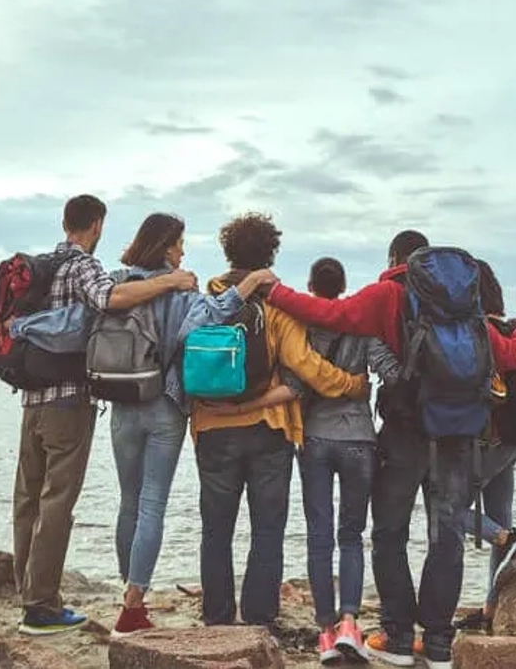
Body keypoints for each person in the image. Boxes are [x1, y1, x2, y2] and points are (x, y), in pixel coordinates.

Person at [263, 230, 474, 669]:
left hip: (404, 430)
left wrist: (276, 292)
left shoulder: (387, 293)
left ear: (395, 257)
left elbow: (329, 312)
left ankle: (397, 636)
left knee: (388, 533)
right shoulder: (462, 299)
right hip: (457, 431)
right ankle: (438, 643)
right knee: (446, 535)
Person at [13, 194, 198, 636]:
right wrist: (176, 284)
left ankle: (33, 594)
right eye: (179, 244)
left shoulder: (53, 268)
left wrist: (19, 329)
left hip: (75, 404)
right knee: (128, 501)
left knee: (41, 499)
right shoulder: (101, 274)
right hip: (133, 404)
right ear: (96, 224)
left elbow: (72, 321)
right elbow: (115, 303)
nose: (182, 252)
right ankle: (118, 602)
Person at [191, 213, 371, 629]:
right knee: (267, 528)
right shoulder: (276, 305)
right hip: (268, 428)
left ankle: (217, 618)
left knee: (216, 528)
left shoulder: (207, 300)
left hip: (212, 426)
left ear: (227, 252)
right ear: (269, 254)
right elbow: (305, 365)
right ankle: (259, 617)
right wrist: (352, 385)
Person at [107, 213, 278, 636]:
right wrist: (250, 284)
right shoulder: (182, 289)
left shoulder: (118, 281)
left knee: (128, 501)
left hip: (122, 403)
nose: (183, 251)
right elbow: (212, 316)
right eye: (179, 243)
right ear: (166, 247)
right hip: (164, 406)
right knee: (152, 503)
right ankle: (132, 604)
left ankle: (130, 594)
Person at [298, 257, 401, 664]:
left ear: (310, 286)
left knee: (319, 536)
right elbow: (391, 372)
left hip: (314, 439)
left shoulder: (304, 327)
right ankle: (349, 625)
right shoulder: (363, 325)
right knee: (351, 535)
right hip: (360, 439)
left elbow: (295, 377)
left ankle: (324, 633)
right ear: (342, 288)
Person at [452, 261, 516, 634]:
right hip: (512, 440)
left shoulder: (479, 328)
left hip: (489, 441)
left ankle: (508, 539)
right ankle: (490, 612)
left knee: (447, 509)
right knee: (498, 513)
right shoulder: (510, 327)